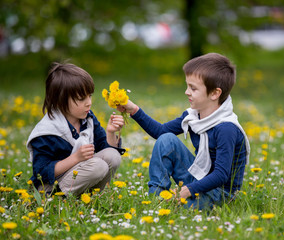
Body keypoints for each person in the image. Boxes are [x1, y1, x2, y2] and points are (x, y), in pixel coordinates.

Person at [118, 53, 250, 209]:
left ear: (215, 93)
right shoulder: (193, 116)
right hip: (199, 178)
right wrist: (133, 110)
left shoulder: (226, 128)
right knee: (166, 139)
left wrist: (188, 190)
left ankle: (181, 203)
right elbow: (160, 131)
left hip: (220, 193)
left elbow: (221, 175)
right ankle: (156, 199)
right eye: (187, 86)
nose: (187, 92)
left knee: (182, 206)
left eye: (193, 88)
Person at [26, 62, 125, 197]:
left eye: (90, 96)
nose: (89, 102)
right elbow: (41, 172)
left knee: (113, 156)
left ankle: (87, 198)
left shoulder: (88, 119)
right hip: (51, 186)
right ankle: (57, 199)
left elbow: (105, 147)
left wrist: (111, 132)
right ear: (60, 100)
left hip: (78, 176)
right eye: (81, 98)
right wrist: (76, 158)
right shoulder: (48, 131)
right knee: (98, 166)